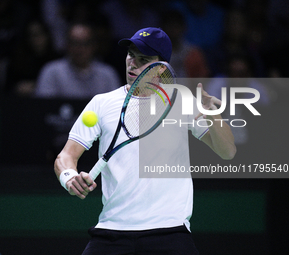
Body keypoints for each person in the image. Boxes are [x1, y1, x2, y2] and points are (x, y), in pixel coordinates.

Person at [54, 27, 236, 254]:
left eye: (144, 59)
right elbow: (66, 156)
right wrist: (69, 178)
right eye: (131, 54)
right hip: (112, 231)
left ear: (161, 68)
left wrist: (213, 115)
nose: (133, 63)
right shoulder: (102, 103)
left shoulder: (181, 101)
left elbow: (227, 151)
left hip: (169, 231)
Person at [35, 22, 121, 99]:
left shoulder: (107, 75)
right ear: (67, 45)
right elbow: (43, 107)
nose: (80, 49)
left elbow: (115, 110)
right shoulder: (51, 72)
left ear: (94, 46)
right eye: (74, 43)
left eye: (85, 43)